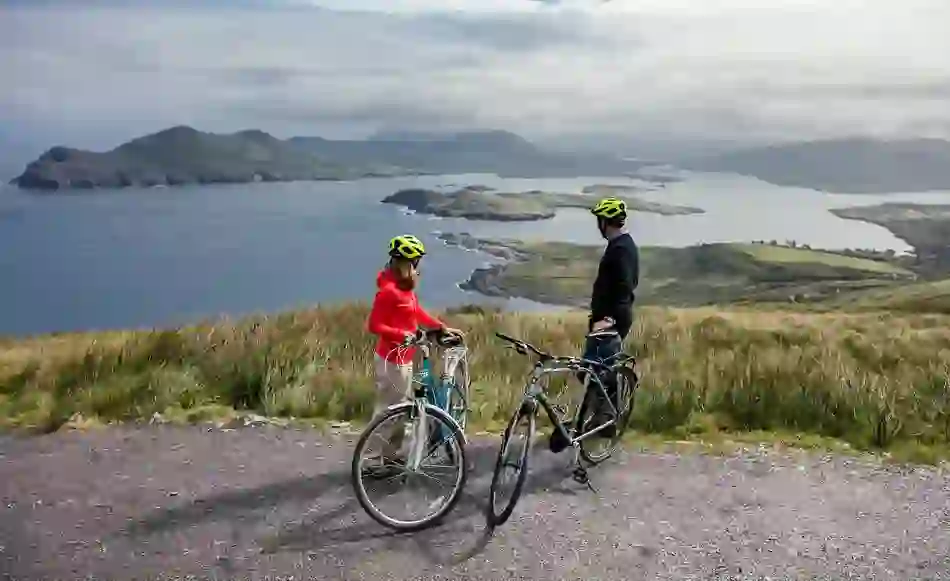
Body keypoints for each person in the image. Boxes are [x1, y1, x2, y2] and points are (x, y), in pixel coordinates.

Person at [365, 234, 463, 462]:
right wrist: (403, 335)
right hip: (392, 360)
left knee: (401, 411)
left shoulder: (404, 287)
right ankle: (371, 459)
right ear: (404, 262)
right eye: (415, 262)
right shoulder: (388, 291)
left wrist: (439, 326)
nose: (418, 266)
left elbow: (415, 311)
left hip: (405, 357)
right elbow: (374, 325)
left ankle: (390, 457)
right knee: (390, 413)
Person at [581, 197, 639, 438]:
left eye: (600, 221)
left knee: (597, 369)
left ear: (607, 222)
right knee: (597, 369)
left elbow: (624, 287)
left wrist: (609, 319)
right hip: (607, 318)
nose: (598, 225)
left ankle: (605, 422)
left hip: (610, 319)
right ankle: (601, 421)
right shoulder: (621, 245)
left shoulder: (621, 249)